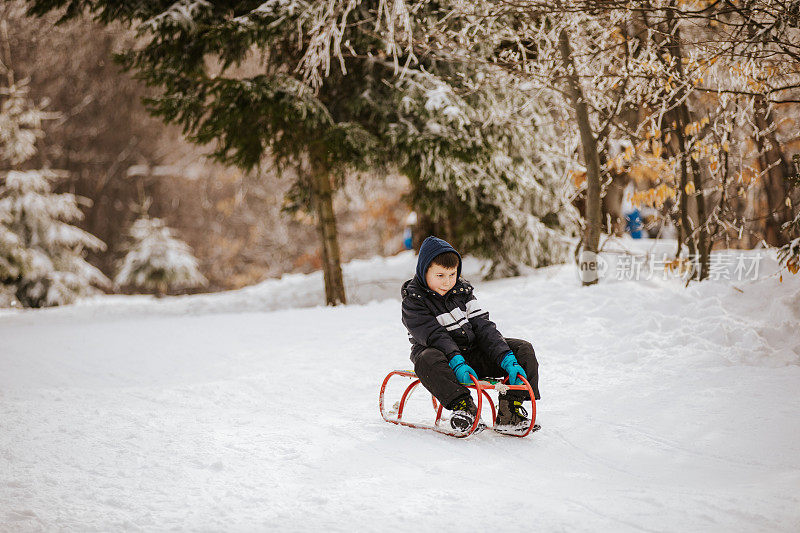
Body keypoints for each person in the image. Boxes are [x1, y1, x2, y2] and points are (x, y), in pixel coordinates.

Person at [401, 236, 541, 434]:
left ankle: (510, 411)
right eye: (440, 275)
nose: (447, 281)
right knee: (426, 359)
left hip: (472, 354)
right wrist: (456, 361)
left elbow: (483, 327)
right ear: (424, 272)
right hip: (443, 361)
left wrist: (506, 356)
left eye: (452, 274)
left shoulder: (462, 291)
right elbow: (434, 335)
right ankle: (464, 408)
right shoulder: (414, 301)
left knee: (522, 349)